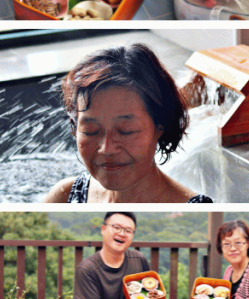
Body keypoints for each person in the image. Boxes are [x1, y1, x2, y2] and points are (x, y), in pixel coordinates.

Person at [44, 44, 213, 203]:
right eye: (91, 131)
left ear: (160, 126)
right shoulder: (64, 196)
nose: (107, 149)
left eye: (126, 131)